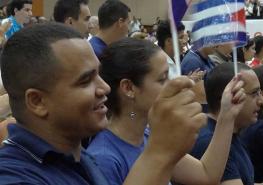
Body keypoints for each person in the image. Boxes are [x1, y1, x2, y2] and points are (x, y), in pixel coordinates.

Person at [0, 22, 207, 185]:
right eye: (85, 81)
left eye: (99, 75)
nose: (105, 88)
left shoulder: (82, 159)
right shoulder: (13, 176)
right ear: (37, 102)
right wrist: (160, 153)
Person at [87, 37, 249, 185]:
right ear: (129, 88)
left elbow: (206, 175)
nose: (174, 84)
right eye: (162, 79)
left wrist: (227, 115)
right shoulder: (104, 159)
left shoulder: (148, 136)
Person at [191, 62, 263, 185]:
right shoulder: (210, 142)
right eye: (254, 93)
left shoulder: (231, 133)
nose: (261, 101)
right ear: (228, 96)